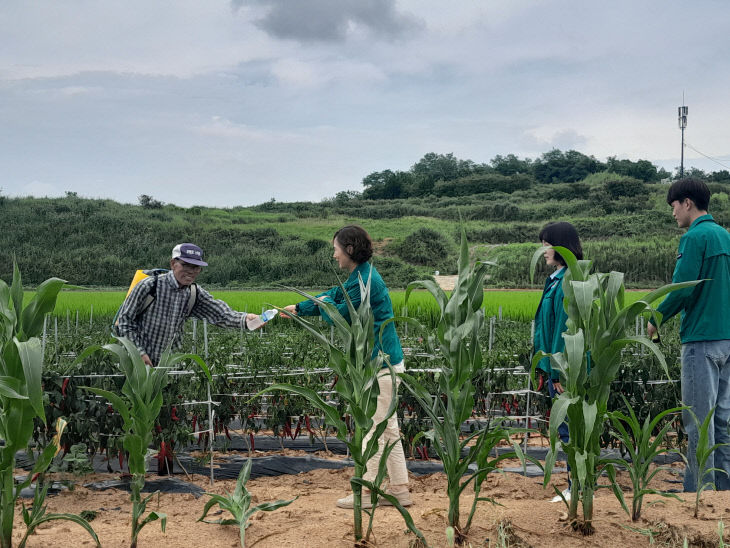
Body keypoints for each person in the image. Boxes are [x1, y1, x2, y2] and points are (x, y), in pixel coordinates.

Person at [280, 225, 412, 509]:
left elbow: (338, 314)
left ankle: (366, 493)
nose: (334, 254)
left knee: (372, 429)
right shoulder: (360, 277)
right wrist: (300, 308)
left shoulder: (364, 282)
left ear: (349, 249)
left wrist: (321, 305)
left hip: (380, 365)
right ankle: (400, 489)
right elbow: (333, 296)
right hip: (385, 362)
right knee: (387, 427)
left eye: (336, 248)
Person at [647, 178, 730, 492]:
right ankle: (723, 490)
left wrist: (656, 319)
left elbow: (682, 289)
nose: (673, 215)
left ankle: (699, 490)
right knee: (721, 419)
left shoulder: (694, 238)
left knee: (698, 419)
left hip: (701, 339)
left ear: (687, 203)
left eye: (673, 207)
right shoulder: (725, 236)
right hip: (727, 338)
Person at [116, 242, 259, 366]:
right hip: (135, 365)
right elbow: (124, 321)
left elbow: (221, 314)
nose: (191, 272)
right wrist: (139, 354)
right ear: (173, 263)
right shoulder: (149, 286)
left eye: (196, 267)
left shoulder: (193, 293)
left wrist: (246, 319)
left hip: (167, 367)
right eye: (186, 265)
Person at [533, 221, 583, 503]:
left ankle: (575, 487)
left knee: (569, 428)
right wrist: (542, 366)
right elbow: (545, 328)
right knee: (565, 427)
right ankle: (574, 484)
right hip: (553, 367)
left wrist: (558, 371)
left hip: (565, 369)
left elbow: (566, 332)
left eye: (547, 245)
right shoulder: (554, 280)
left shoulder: (569, 282)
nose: (544, 251)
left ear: (562, 246)